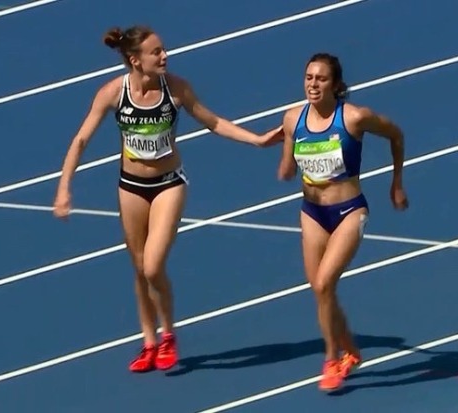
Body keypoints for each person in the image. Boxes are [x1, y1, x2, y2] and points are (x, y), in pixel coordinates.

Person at [52, 25, 283, 373]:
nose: (164, 56)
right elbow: (81, 139)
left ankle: (169, 333)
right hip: (130, 186)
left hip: (168, 184)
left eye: (163, 50)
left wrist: (257, 140)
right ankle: (148, 341)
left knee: (152, 265)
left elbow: (213, 122)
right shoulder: (114, 93)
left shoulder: (175, 89)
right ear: (135, 60)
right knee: (139, 269)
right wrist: (64, 187)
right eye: (156, 52)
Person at [277, 53, 408, 391]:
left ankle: (332, 359)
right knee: (321, 290)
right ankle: (351, 351)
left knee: (323, 285)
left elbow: (396, 135)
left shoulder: (354, 118)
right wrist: (287, 167)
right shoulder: (293, 119)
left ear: (335, 85)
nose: (313, 84)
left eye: (320, 79)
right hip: (312, 213)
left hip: (349, 210)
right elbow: (289, 158)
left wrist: (396, 183)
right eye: (308, 78)